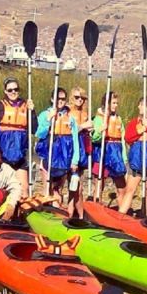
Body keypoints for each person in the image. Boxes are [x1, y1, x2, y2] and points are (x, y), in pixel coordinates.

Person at [34, 88, 80, 212]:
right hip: (48, 158)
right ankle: (46, 212)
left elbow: (75, 140)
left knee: (58, 190)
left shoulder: (70, 118)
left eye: (63, 99)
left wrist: (75, 160)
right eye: (58, 98)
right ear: (52, 99)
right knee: (47, 188)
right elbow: (40, 134)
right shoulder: (45, 115)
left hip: (64, 159)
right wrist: (49, 119)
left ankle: (57, 211)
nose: (60, 101)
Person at [118, 97, 147, 215]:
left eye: (140, 105)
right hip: (136, 159)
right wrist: (140, 131)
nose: (138, 107)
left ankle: (143, 216)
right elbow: (128, 138)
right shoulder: (135, 122)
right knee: (130, 189)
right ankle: (120, 215)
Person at [0, 77, 35, 199]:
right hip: (3, 157)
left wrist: (32, 111)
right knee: (4, 191)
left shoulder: (26, 106)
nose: (13, 92)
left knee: (24, 190)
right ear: (5, 91)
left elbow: (34, 128)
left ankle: (21, 216)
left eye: (16, 89)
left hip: (19, 155)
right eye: (10, 90)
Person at [91, 91, 127, 206]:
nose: (116, 105)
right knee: (99, 183)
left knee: (121, 186)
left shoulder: (119, 119)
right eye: (113, 103)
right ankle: (96, 207)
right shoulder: (98, 118)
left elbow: (123, 139)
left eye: (117, 103)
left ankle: (122, 213)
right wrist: (101, 130)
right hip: (102, 151)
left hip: (116, 153)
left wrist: (124, 157)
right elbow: (94, 138)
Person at [68, 86, 93, 218]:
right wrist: (83, 126)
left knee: (77, 186)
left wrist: (90, 129)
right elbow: (71, 131)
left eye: (82, 98)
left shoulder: (85, 113)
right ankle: (76, 215)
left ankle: (76, 215)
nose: (80, 100)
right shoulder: (69, 113)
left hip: (83, 149)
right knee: (75, 186)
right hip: (72, 149)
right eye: (77, 97)